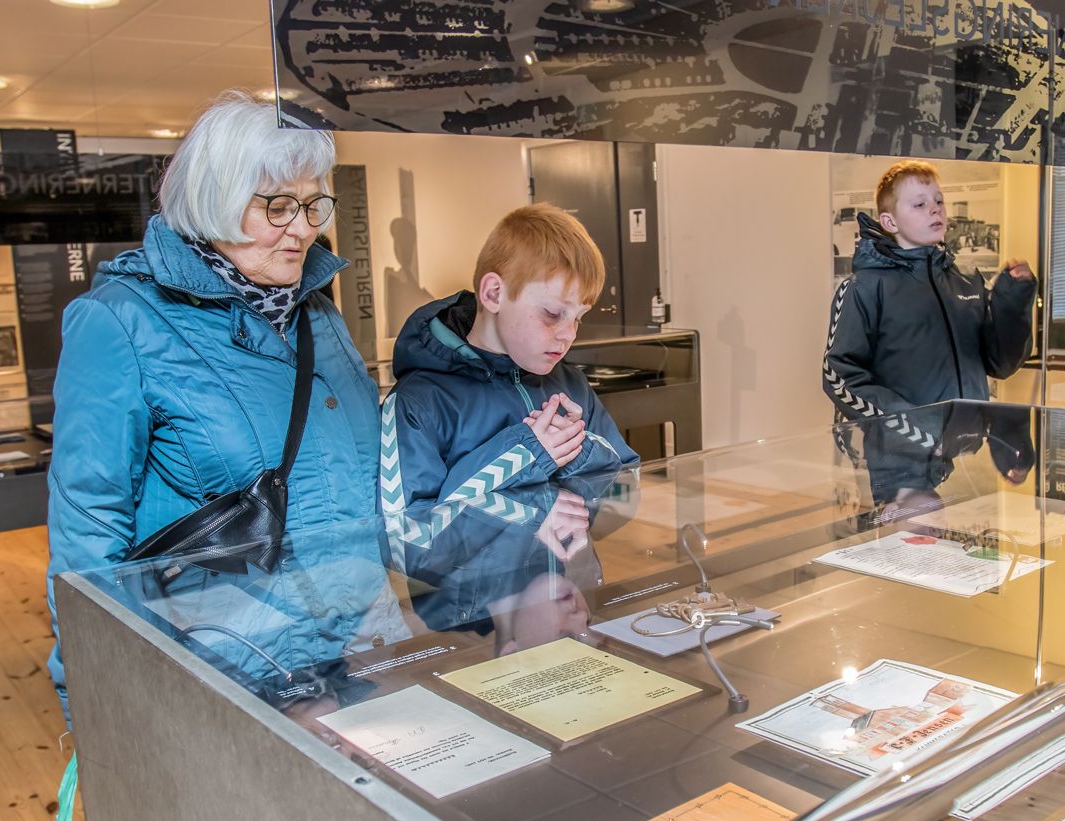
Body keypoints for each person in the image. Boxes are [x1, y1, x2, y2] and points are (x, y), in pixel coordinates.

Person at [45, 91, 407, 722]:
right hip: (233, 665)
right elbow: (87, 535)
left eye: (313, 204)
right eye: (278, 206)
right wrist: (99, 705)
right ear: (214, 199)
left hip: (362, 645)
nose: (304, 228)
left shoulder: (317, 314)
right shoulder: (119, 323)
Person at [379, 203, 640, 534]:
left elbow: (626, 497)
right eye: (552, 313)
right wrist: (524, 457)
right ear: (494, 294)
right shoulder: (416, 404)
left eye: (579, 318)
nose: (569, 335)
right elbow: (409, 540)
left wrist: (580, 448)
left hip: (573, 571)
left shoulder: (571, 383)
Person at [821, 159, 1037, 505]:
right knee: (912, 540)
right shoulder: (865, 288)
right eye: (919, 204)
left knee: (960, 542)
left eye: (938, 201)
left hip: (966, 456)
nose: (935, 209)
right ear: (890, 222)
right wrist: (916, 426)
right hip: (901, 462)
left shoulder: (964, 282)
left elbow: (1000, 363)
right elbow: (839, 375)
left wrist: (1013, 300)